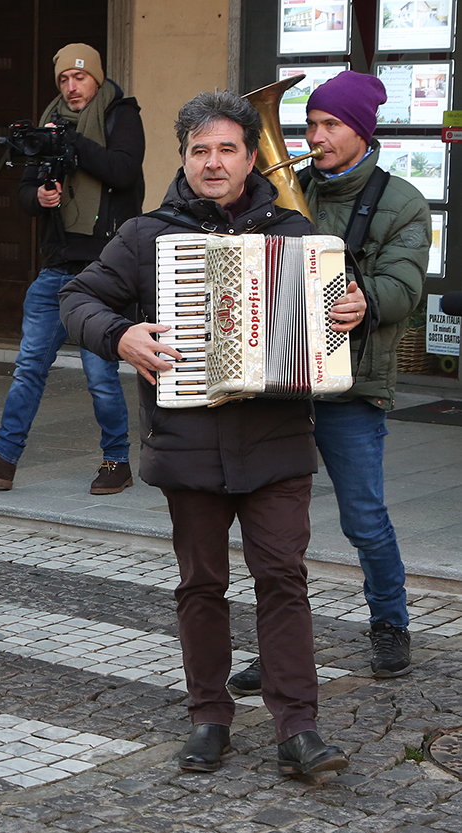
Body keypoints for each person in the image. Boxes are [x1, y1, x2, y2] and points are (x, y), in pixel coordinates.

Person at [59, 91, 366, 775]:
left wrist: (353, 307)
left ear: (250, 157)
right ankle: (209, 716)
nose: (214, 162)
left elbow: (340, 320)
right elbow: (75, 299)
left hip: (277, 442)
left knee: (282, 578)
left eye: (227, 148)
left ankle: (298, 728)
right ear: (185, 158)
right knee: (201, 584)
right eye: (200, 150)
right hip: (188, 443)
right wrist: (121, 334)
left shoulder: (294, 233)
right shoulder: (145, 236)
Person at [227, 72, 430, 697]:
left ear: (361, 132)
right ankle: (281, 641)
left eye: (329, 126)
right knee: (274, 523)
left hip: (352, 384)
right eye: (309, 124)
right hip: (282, 380)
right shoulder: (283, 189)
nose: (315, 137)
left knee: (364, 516)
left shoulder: (402, 202)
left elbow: (405, 287)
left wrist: (367, 300)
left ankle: (390, 622)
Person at [0, 43, 141, 494]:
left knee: (100, 376)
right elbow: (24, 189)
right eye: (64, 80)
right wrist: (38, 197)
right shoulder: (46, 126)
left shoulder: (121, 115)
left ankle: (117, 461)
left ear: (96, 78)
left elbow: (123, 172)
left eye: (80, 78)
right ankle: (3, 459)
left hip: (103, 270)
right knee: (29, 366)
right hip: (57, 266)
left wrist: (70, 139)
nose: (72, 87)